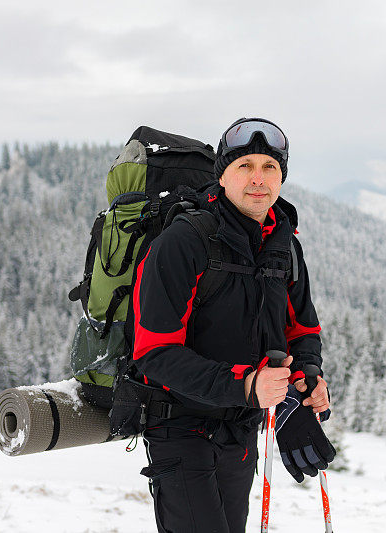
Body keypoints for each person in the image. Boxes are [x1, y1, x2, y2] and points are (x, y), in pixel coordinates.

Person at [129, 117, 334, 532]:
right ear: (222, 175)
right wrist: (247, 385)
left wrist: (306, 378)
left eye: (269, 167)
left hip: (240, 428)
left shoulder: (283, 245)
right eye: (245, 166)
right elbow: (153, 352)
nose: (258, 179)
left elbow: (301, 331)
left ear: (282, 177)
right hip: (180, 426)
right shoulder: (184, 242)